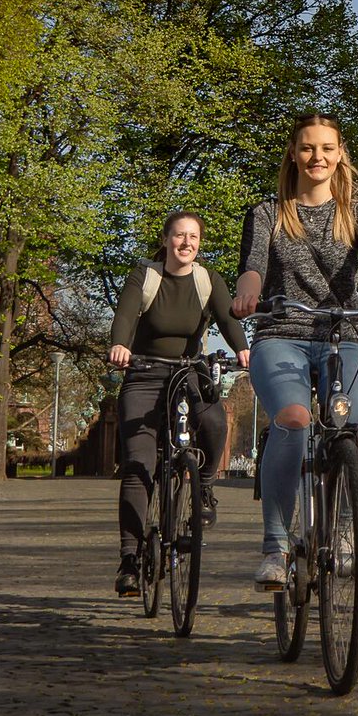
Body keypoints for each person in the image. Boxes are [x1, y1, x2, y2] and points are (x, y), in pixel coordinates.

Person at [231, 113, 358, 587]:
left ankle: (343, 528)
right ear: (294, 154)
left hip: (342, 335)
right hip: (282, 333)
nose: (317, 157)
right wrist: (246, 294)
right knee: (294, 419)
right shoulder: (267, 213)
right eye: (307, 148)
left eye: (326, 148)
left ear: (339, 154)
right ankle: (277, 546)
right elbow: (253, 266)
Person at [108, 211, 250, 597]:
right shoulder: (146, 275)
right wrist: (120, 344)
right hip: (145, 373)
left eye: (193, 237)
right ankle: (129, 560)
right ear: (167, 239)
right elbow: (125, 314)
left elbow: (227, 318)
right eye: (179, 236)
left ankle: (203, 486)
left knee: (215, 422)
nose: (186, 243)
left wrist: (242, 349)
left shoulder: (208, 280)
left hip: (189, 372)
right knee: (139, 465)